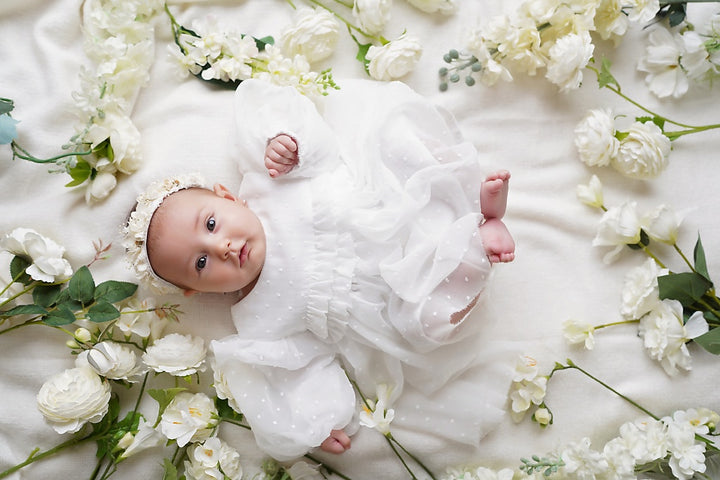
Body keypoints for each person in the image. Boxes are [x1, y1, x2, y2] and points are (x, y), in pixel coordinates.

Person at [123, 78, 515, 461]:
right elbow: (294, 371)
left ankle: (475, 200)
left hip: (389, 204)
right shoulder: (260, 321)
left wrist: (286, 145)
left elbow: (315, 147)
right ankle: (478, 242)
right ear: (196, 291)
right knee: (429, 325)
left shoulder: (265, 180)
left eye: (211, 225)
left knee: (397, 143)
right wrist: (317, 423)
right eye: (202, 263)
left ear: (227, 197)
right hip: (392, 296)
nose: (221, 247)